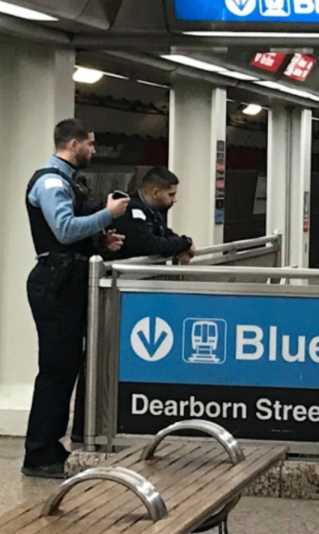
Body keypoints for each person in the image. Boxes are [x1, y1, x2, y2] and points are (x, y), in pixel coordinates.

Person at [23, 119, 129, 479]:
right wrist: (107, 215)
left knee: (66, 366)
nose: (94, 150)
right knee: (55, 369)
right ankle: (38, 454)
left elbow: (73, 234)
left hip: (67, 280)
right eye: (91, 143)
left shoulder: (69, 181)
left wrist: (101, 240)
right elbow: (64, 230)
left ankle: (51, 446)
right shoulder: (51, 182)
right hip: (55, 284)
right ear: (72, 143)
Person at [105, 166, 195, 262]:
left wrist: (184, 244)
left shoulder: (153, 211)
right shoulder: (128, 209)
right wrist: (184, 243)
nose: (174, 200)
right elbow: (147, 244)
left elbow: (165, 233)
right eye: (171, 194)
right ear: (155, 193)